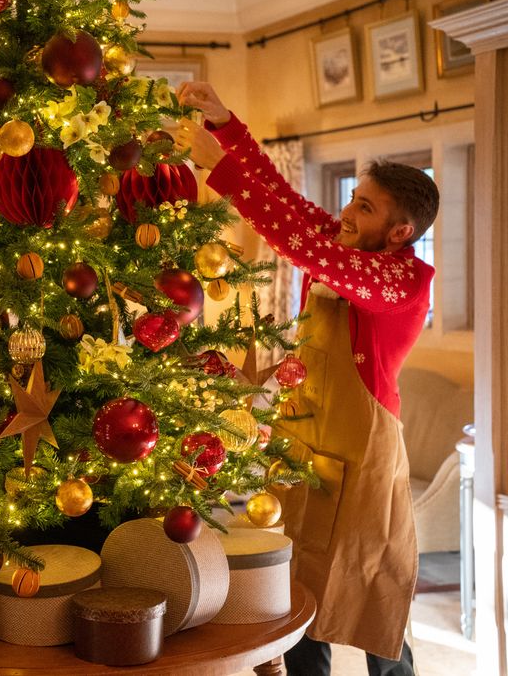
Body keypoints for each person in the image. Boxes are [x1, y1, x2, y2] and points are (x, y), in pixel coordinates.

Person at [176, 82, 438, 676]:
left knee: (372, 591)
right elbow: (286, 203)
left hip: (362, 454)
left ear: (400, 233)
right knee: (293, 588)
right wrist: (225, 126)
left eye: (364, 208)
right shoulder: (344, 239)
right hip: (302, 440)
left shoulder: (403, 280)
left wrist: (223, 171)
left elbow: (304, 247)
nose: (345, 213)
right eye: (353, 199)